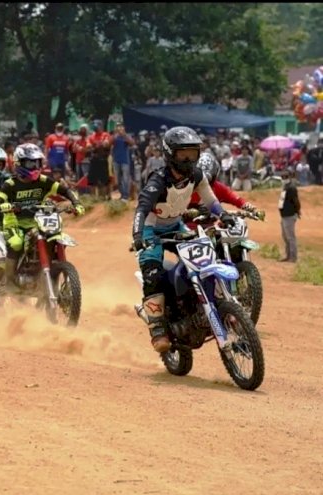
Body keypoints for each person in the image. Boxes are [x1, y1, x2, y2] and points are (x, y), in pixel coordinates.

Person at [132, 126, 235, 353]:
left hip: (177, 225)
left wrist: (224, 215)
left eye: (193, 154)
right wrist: (138, 236)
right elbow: (141, 210)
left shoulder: (197, 176)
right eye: (183, 155)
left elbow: (210, 200)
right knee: (152, 274)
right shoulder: (157, 181)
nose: (189, 160)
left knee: (205, 259)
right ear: (170, 154)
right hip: (152, 230)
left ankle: (216, 305)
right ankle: (158, 328)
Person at [0, 144, 85, 293]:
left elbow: (65, 190)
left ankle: (51, 273)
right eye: (30, 163)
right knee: (16, 243)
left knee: (52, 237)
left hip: (38, 221)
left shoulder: (43, 181)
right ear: (19, 163)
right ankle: (9, 281)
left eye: (37, 163)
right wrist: (1, 205)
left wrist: (77, 203)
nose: (35, 166)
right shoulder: (11, 184)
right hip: (15, 223)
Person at [184, 152, 264, 230]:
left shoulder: (219, 188)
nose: (204, 183)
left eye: (207, 179)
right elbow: (173, 208)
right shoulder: (186, 186)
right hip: (186, 228)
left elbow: (236, 199)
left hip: (210, 228)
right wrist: (188, 212)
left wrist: (250, 208)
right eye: (201, 178)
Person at [278, 168, 301, 263]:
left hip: (290, 215)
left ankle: (293, 257)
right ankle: (288, 255)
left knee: (291, 237)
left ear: (290, 177)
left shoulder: (291, 188)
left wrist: (297, 211)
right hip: (284, 216)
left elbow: (296, 201)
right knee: (285, 236)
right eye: (282, 177)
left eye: (286, 176)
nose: (284, 178)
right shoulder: (285, 187)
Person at [111, 122, 135, 200]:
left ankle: (126, 195)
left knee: (125, 178)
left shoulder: (126, 136)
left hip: (125, 160)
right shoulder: (115, 136)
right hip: (116, 160)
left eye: (121, 127)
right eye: (118, 127)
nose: (120, 129)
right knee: (118, 179)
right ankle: (122, 194)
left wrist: (124, 135)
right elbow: (109, 143)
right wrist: (115, 134)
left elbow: (132, 143)